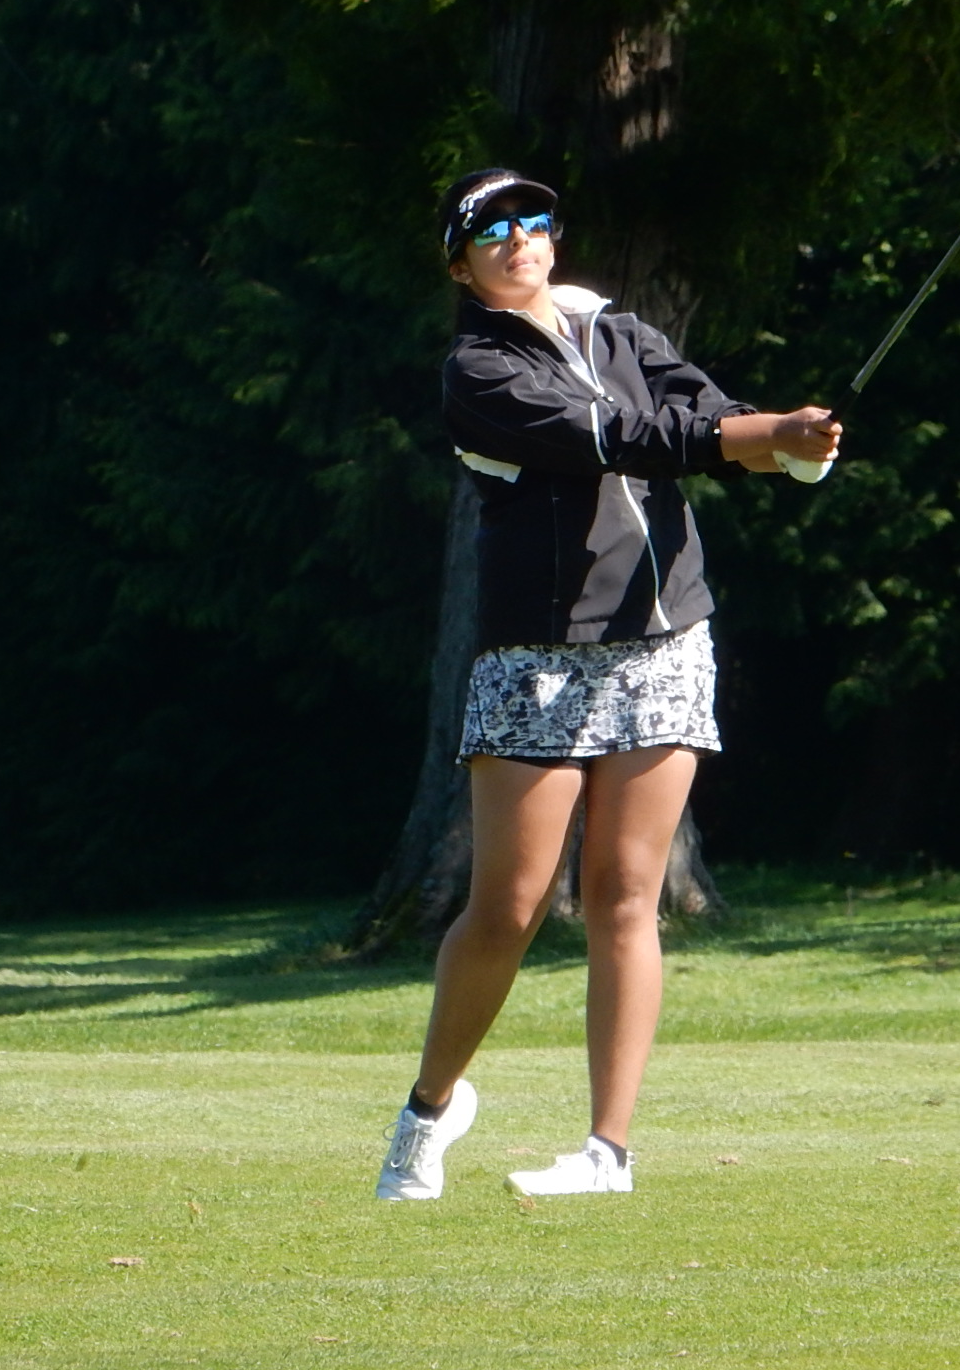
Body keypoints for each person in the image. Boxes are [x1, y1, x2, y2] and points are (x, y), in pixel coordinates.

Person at [375, 167, 840, 1201]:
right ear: (460, 265)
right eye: (489, 230)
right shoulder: (478, 370)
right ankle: (429, 1110)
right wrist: (752, 439)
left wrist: (789, 445)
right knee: (507, 905)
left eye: (532, 219)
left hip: (663, 642)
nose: (518, 238)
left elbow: (704, 411)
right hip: (538, 655)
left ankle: (606, 1152)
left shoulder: (619, 332)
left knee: (626, 895)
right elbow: (619, 438)